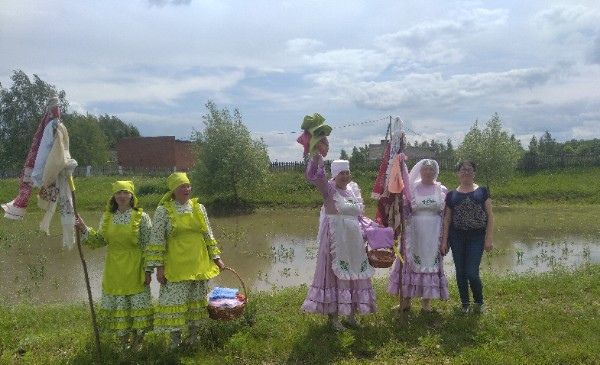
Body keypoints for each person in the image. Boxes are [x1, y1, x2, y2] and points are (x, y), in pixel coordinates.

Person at [301, 138, 376, 331]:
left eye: (347, 172)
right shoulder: (329, 189)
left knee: (353, 274)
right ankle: (333, 319)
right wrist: (316, 155)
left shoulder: (353, 190)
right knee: (334, 275)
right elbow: (314, 176)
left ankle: (351, 316)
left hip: (354, 240)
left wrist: (372, 229)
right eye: (341, 173)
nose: (345, 176)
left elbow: (360, 216)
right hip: (335, 239)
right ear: (334, 175)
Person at [146, 172, 225, 348]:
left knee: (195, 303)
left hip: (199, 264)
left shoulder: (199, 208)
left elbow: (208, 234)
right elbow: (157, 240)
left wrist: (217, 258)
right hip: (176, 267)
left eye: (188, 185)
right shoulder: (163, 211)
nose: (187, 189)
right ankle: (175, 342)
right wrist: (159, 267)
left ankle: (193, 339)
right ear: (173, 190)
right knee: (175, 304)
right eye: (182, 186)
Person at [75, 181, 153, 350]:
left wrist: (148, 271)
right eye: (118, 193)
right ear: (114, 196)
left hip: (136, 267)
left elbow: (149, 246)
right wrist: (83, 228)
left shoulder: (142, 216)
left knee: (137, 307)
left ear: (132, 196)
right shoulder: (107, 216)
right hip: (114, 269)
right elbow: (99, 240)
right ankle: (123, 344)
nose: (122, 196)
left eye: (126, 192)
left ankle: (138, 342)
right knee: (120, 307)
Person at [388, 159, 449, 312]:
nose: (428, 172)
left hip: (434, 233)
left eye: (431, 169)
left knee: (429, 264)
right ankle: (406, 301)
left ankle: (426, 303)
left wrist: (444, 238)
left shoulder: (441, 190)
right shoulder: (411, 189)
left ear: (436, 171)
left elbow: (445, 215)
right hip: (414, 233)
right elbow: (405, 210)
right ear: (420, 171)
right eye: (425, 169)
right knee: (410, 263)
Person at [441, 160, 494, 313]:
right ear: (458, 173)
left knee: (472, 272)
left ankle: (479, 302)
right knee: (460, 271)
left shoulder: (482, 191)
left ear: (474, 173)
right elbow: (447, 219)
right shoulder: (451, 195)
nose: (466, 172)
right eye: (462, 169)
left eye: (469, 169)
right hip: (456, 237)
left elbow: (490, 215)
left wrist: (489, 238)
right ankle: (465, 304)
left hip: (477, 237)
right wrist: (444, 240)